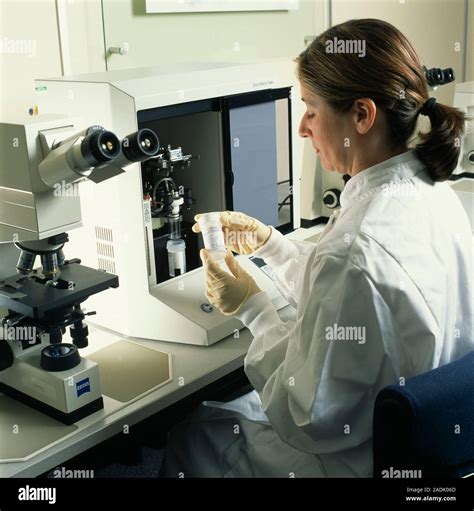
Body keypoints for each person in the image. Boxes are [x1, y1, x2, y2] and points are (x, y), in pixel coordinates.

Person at [161, 18, 473, 477]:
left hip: (349, 456)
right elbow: (358, 301)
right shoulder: (435, 192)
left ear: (362, 116)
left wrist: (252, 308)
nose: (303, 128)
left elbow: (305, 416)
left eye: (310, 108)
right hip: (431, 440)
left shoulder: (353, 251)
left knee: (195, 434)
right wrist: (272, 245)